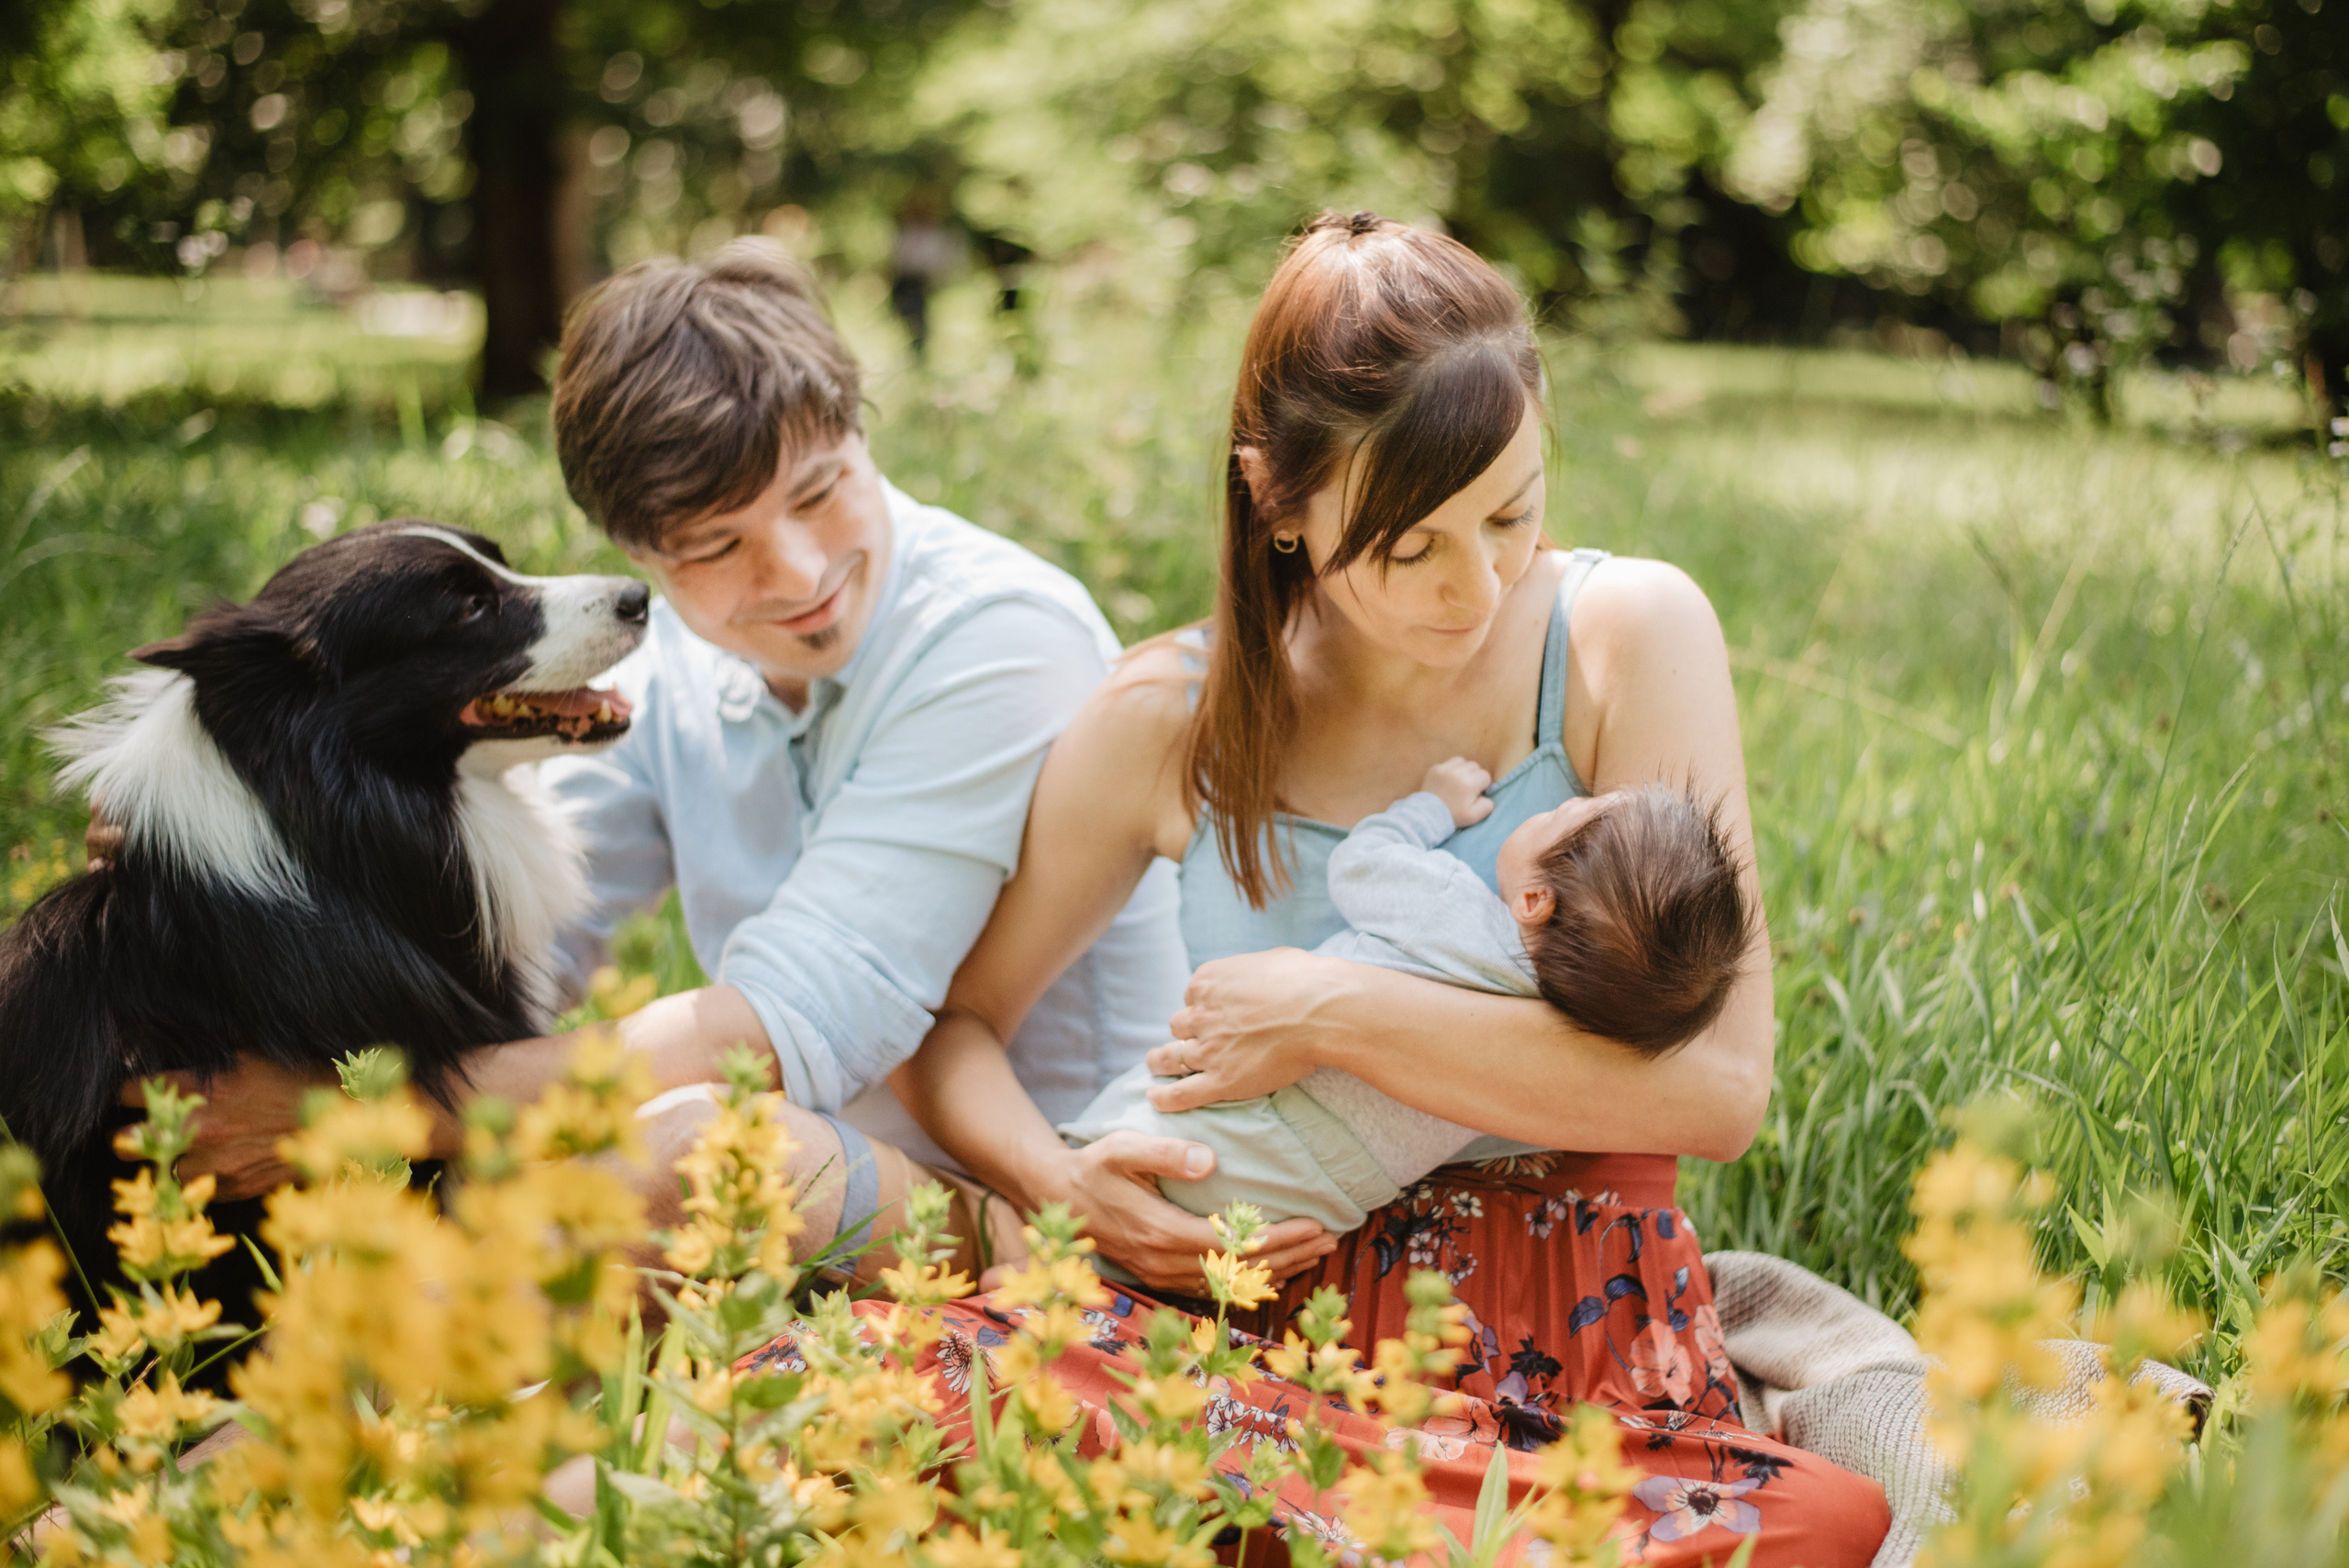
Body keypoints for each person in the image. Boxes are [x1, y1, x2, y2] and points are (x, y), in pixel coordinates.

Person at [868, 211, 1892, 1563]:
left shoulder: (1624, 635)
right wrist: (1059, 1185)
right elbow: (956, 1032)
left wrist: (1332, 1012)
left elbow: (1715, 1090)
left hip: (1565, 1334)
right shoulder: (1170, 718)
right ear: (1278, 505)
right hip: (1246, 1318)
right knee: (928, 1391)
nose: (1477, 585)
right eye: (1412, 547)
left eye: (1513, 515)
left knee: (1825, 1519)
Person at [158, 238, 1333, 1288]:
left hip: (1050, 1211)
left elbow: (784, 1024)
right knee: (543, 1164)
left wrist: (352, 1114)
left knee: (683, 1150)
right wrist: (225, 870)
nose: (795, 572)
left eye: (820, 491)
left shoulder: (996, 636)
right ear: (637, 553)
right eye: (715, 547)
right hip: (826, 1198)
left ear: (861, 428)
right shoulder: (666, 672)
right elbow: (515, 937)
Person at [1056, 759, 1753, 1247]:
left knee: (1111, 1144)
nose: (1554, 806)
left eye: (1563, 814)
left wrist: (1433, 805)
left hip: (1234, 1125)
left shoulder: (1450, 908)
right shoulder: (1555, 1030)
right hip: (1305, 1202)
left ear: (1535, 900)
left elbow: (1362, 863)